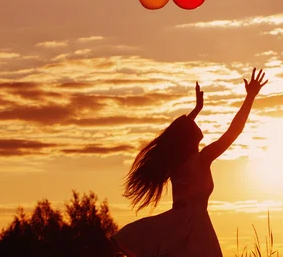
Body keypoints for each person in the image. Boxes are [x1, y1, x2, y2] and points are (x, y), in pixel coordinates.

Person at [111, 68, 268, 257]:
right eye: (193, 123)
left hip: (175, 226)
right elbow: (234, 131)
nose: (195, 123)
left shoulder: (175, 163)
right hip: (195, 229)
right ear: (189, 137)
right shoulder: (203, 158)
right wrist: (250, 97)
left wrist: (196, 110)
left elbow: (177, 133)